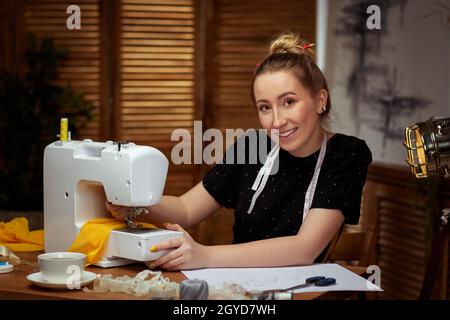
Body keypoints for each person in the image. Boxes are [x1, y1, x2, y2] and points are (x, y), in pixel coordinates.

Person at [106, 32, 372, 270]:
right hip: (240, 285)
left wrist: (204, 256)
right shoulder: (252, 147)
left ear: (319, 100)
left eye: (289, 102)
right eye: (265, 107)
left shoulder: (346, 154)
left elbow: (305, 248)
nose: (277, 121)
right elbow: (185, 209)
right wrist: (134, 204)